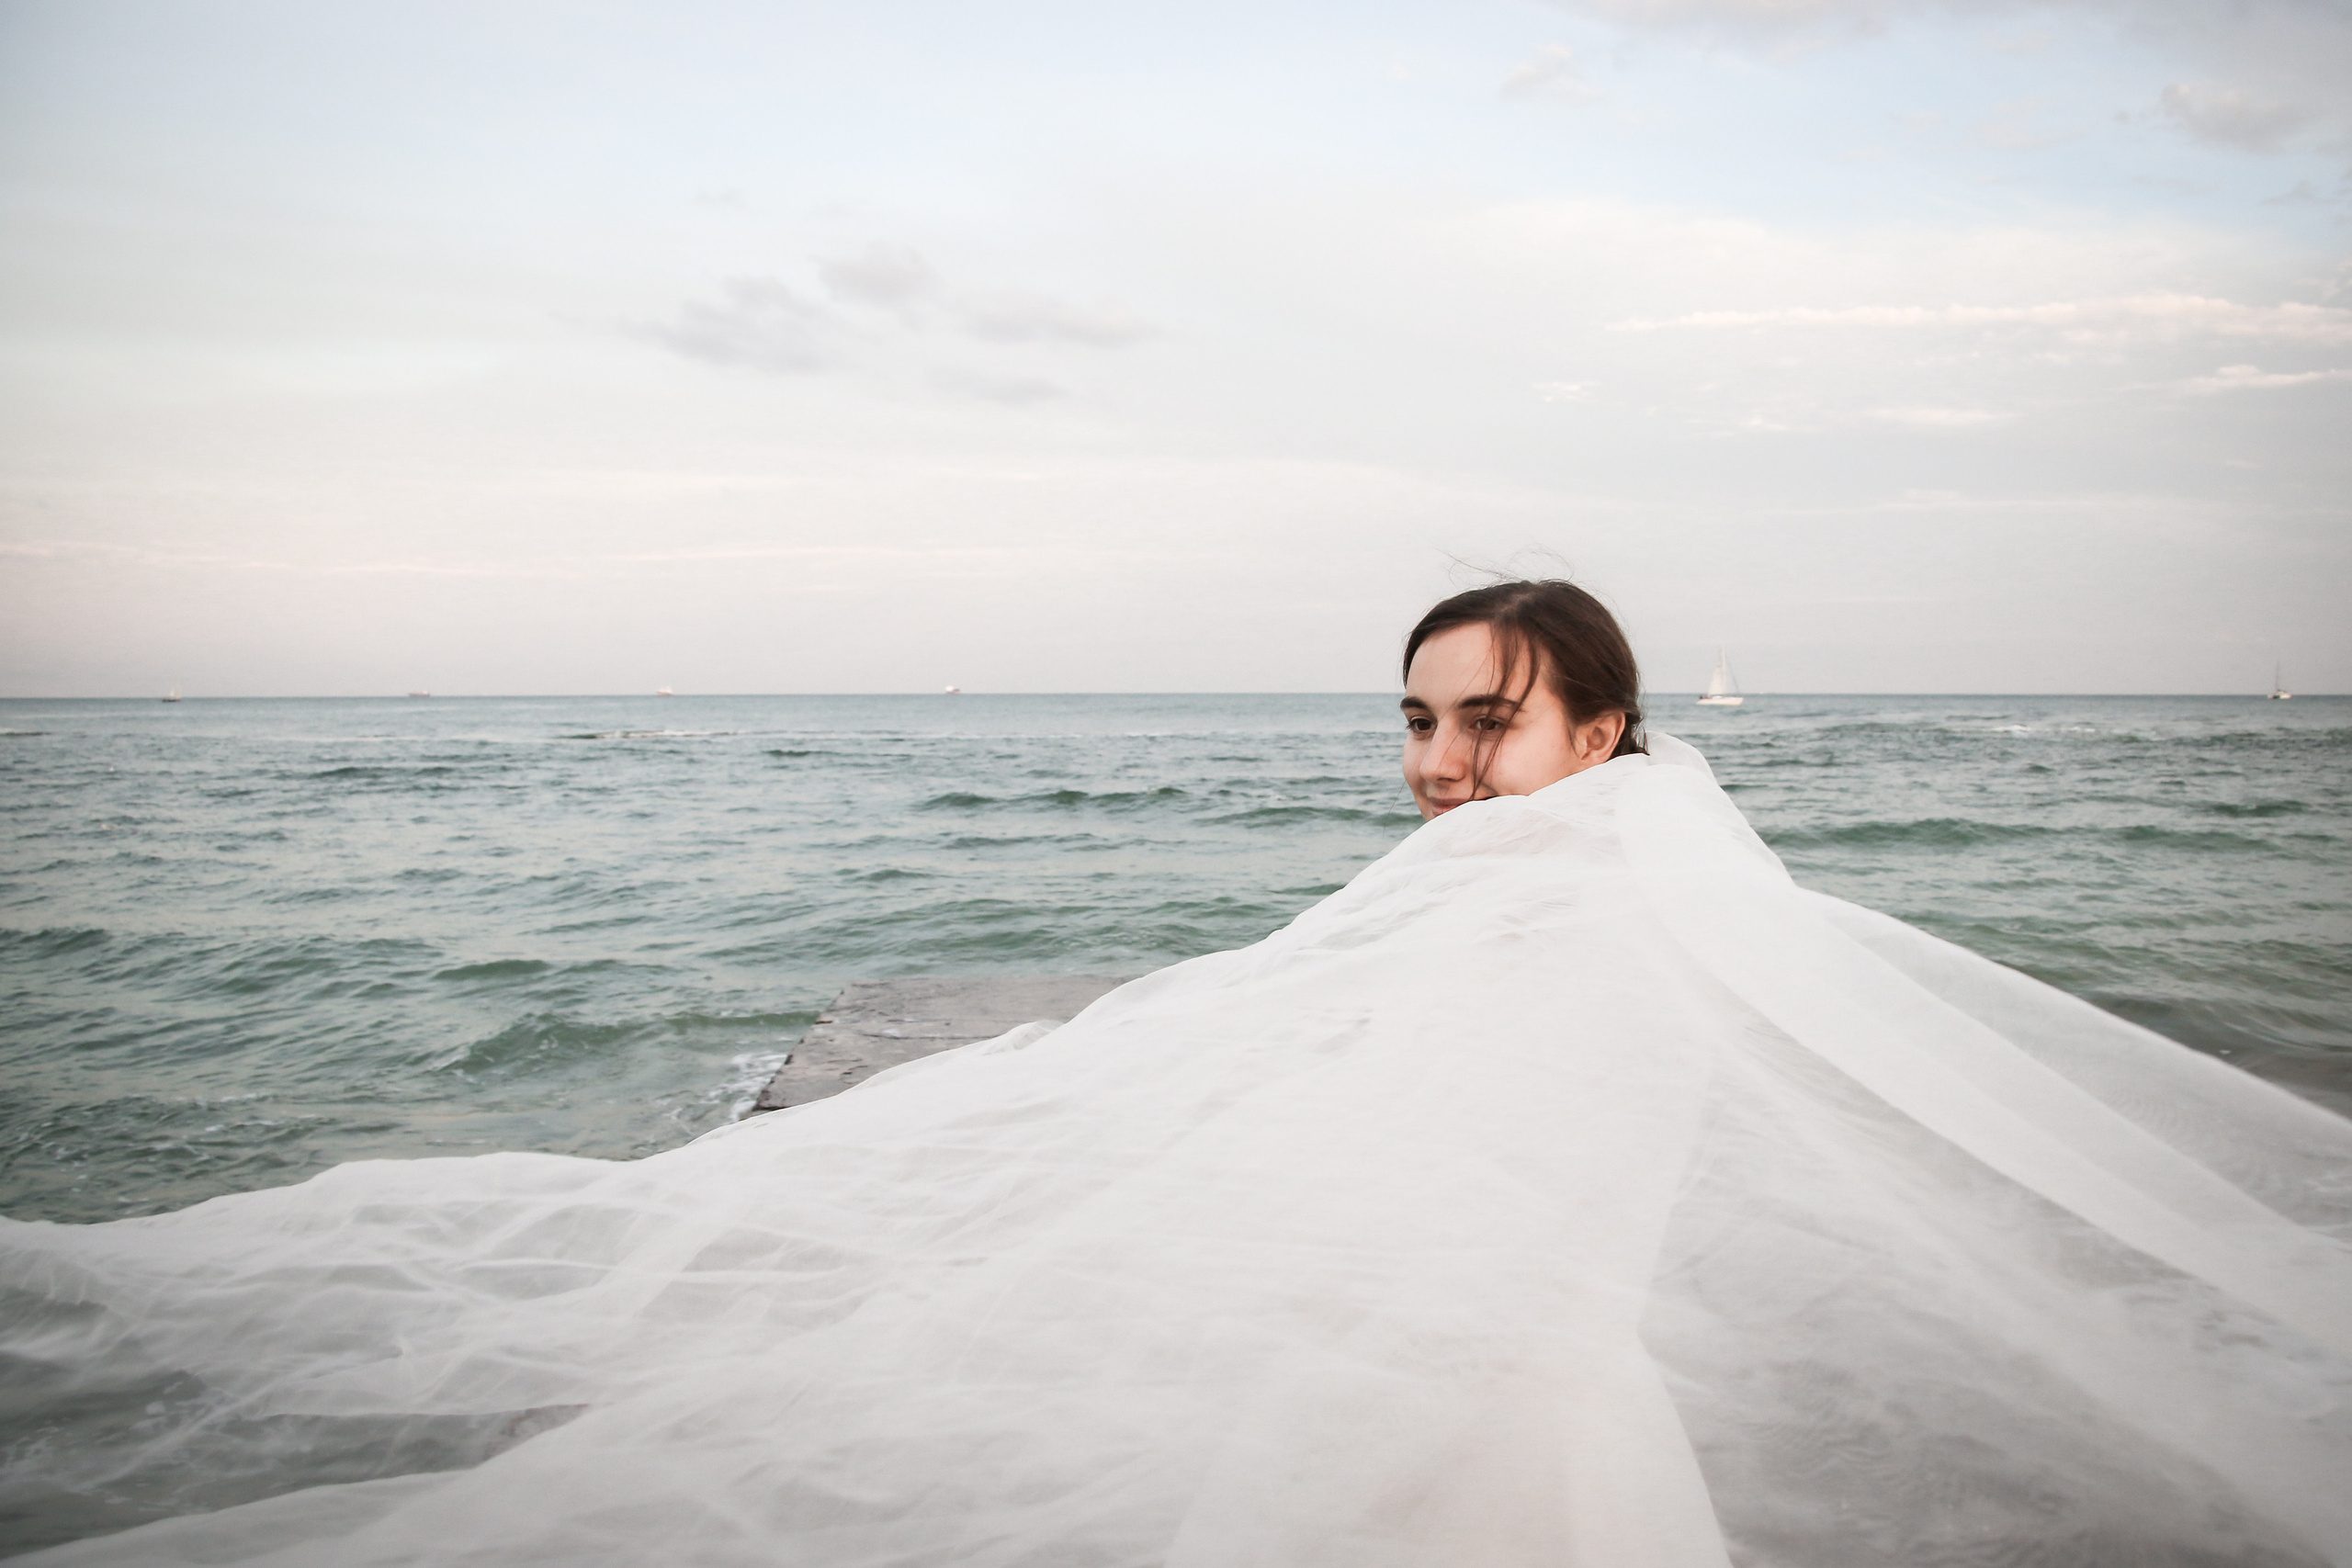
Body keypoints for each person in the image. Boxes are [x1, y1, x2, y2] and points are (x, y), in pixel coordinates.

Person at [4, 581, 2349, 1568]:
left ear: (1602, 722)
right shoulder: (1594, 868)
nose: (1436, 758)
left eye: (1486, 717)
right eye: (1413, 716)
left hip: (1470, 1366)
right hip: (1487, 1359)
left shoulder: (1569, 886)